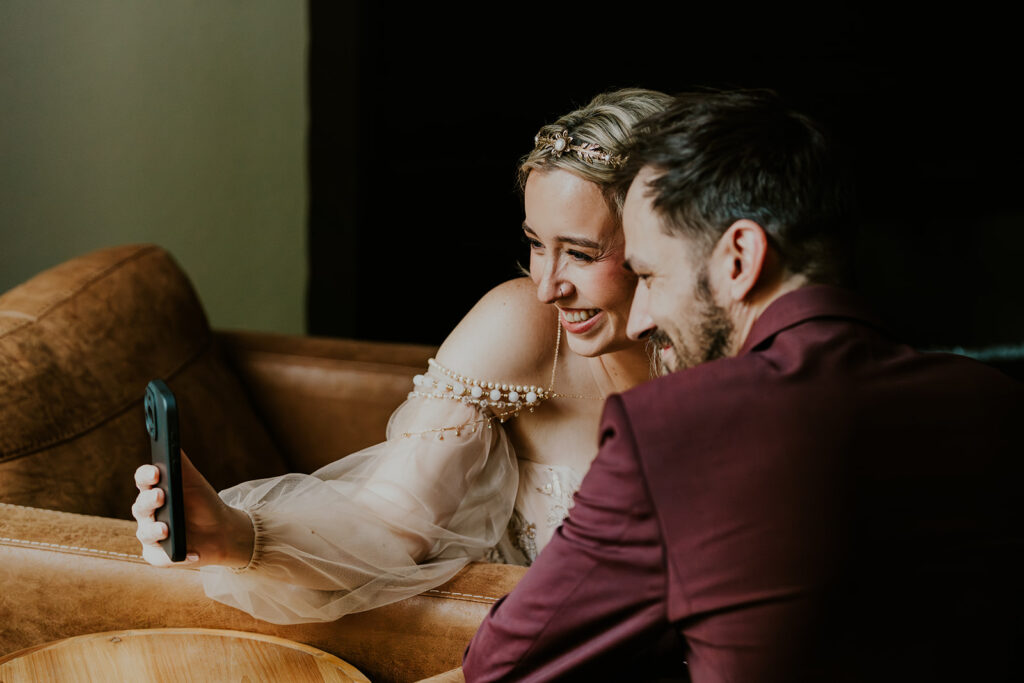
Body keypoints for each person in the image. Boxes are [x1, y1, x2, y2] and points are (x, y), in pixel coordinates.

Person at [462, 90, 1024, 682]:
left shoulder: (672, 429)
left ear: (740, 258)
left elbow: (501, 665)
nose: (642, 318)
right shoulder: (998, 403)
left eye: (651, 276)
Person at [131, 88, 673, 623]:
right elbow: (392, 522)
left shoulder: (746, 352)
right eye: (535, 244)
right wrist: (235, 534)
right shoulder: (520, 326)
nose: (546, 286)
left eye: (580, 253)